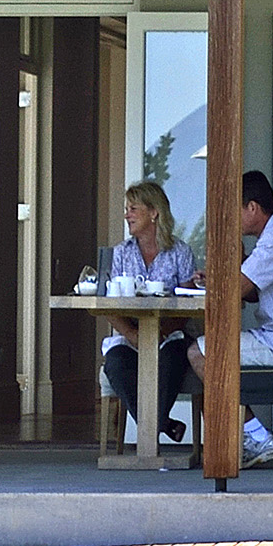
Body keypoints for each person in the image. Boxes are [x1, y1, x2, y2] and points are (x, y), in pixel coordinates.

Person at [187, 168, 273, 463]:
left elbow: (235, 290)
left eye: (234, 210)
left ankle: (257, 438)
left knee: (199, 351)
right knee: (205, 347)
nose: (231, 218)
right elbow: (251, 292)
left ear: (252, 208)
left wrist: (219, 278)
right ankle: (240, 438)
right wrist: (224, 274)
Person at [96, 179, 200, 452]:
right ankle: (162, 425)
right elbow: (108, 303)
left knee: (175, 355)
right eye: (127, 209)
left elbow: (190, 303)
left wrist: (161, 332)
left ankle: (150, 432)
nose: (127, 215)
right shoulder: (120, 253)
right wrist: (132, 335)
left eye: (134, 209)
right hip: (131, 334)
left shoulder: (180, 252)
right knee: (115, 363)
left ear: (154, 213)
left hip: (169, 334)